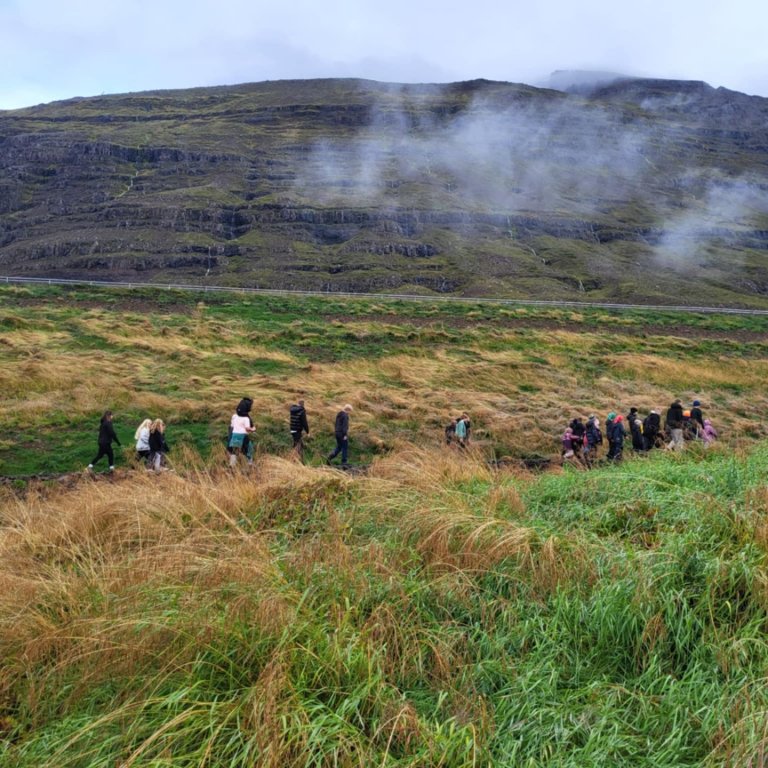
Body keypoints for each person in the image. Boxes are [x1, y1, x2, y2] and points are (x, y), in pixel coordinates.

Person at [229, 401, 255, 467]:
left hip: (234, 435)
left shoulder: (234, 416)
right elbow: (247, 429)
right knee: (249, 448)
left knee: (235, 450)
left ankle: (232, 465)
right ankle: (249, 463)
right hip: (243, 436)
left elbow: (232, 425)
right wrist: (253, 429)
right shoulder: (246, 418)